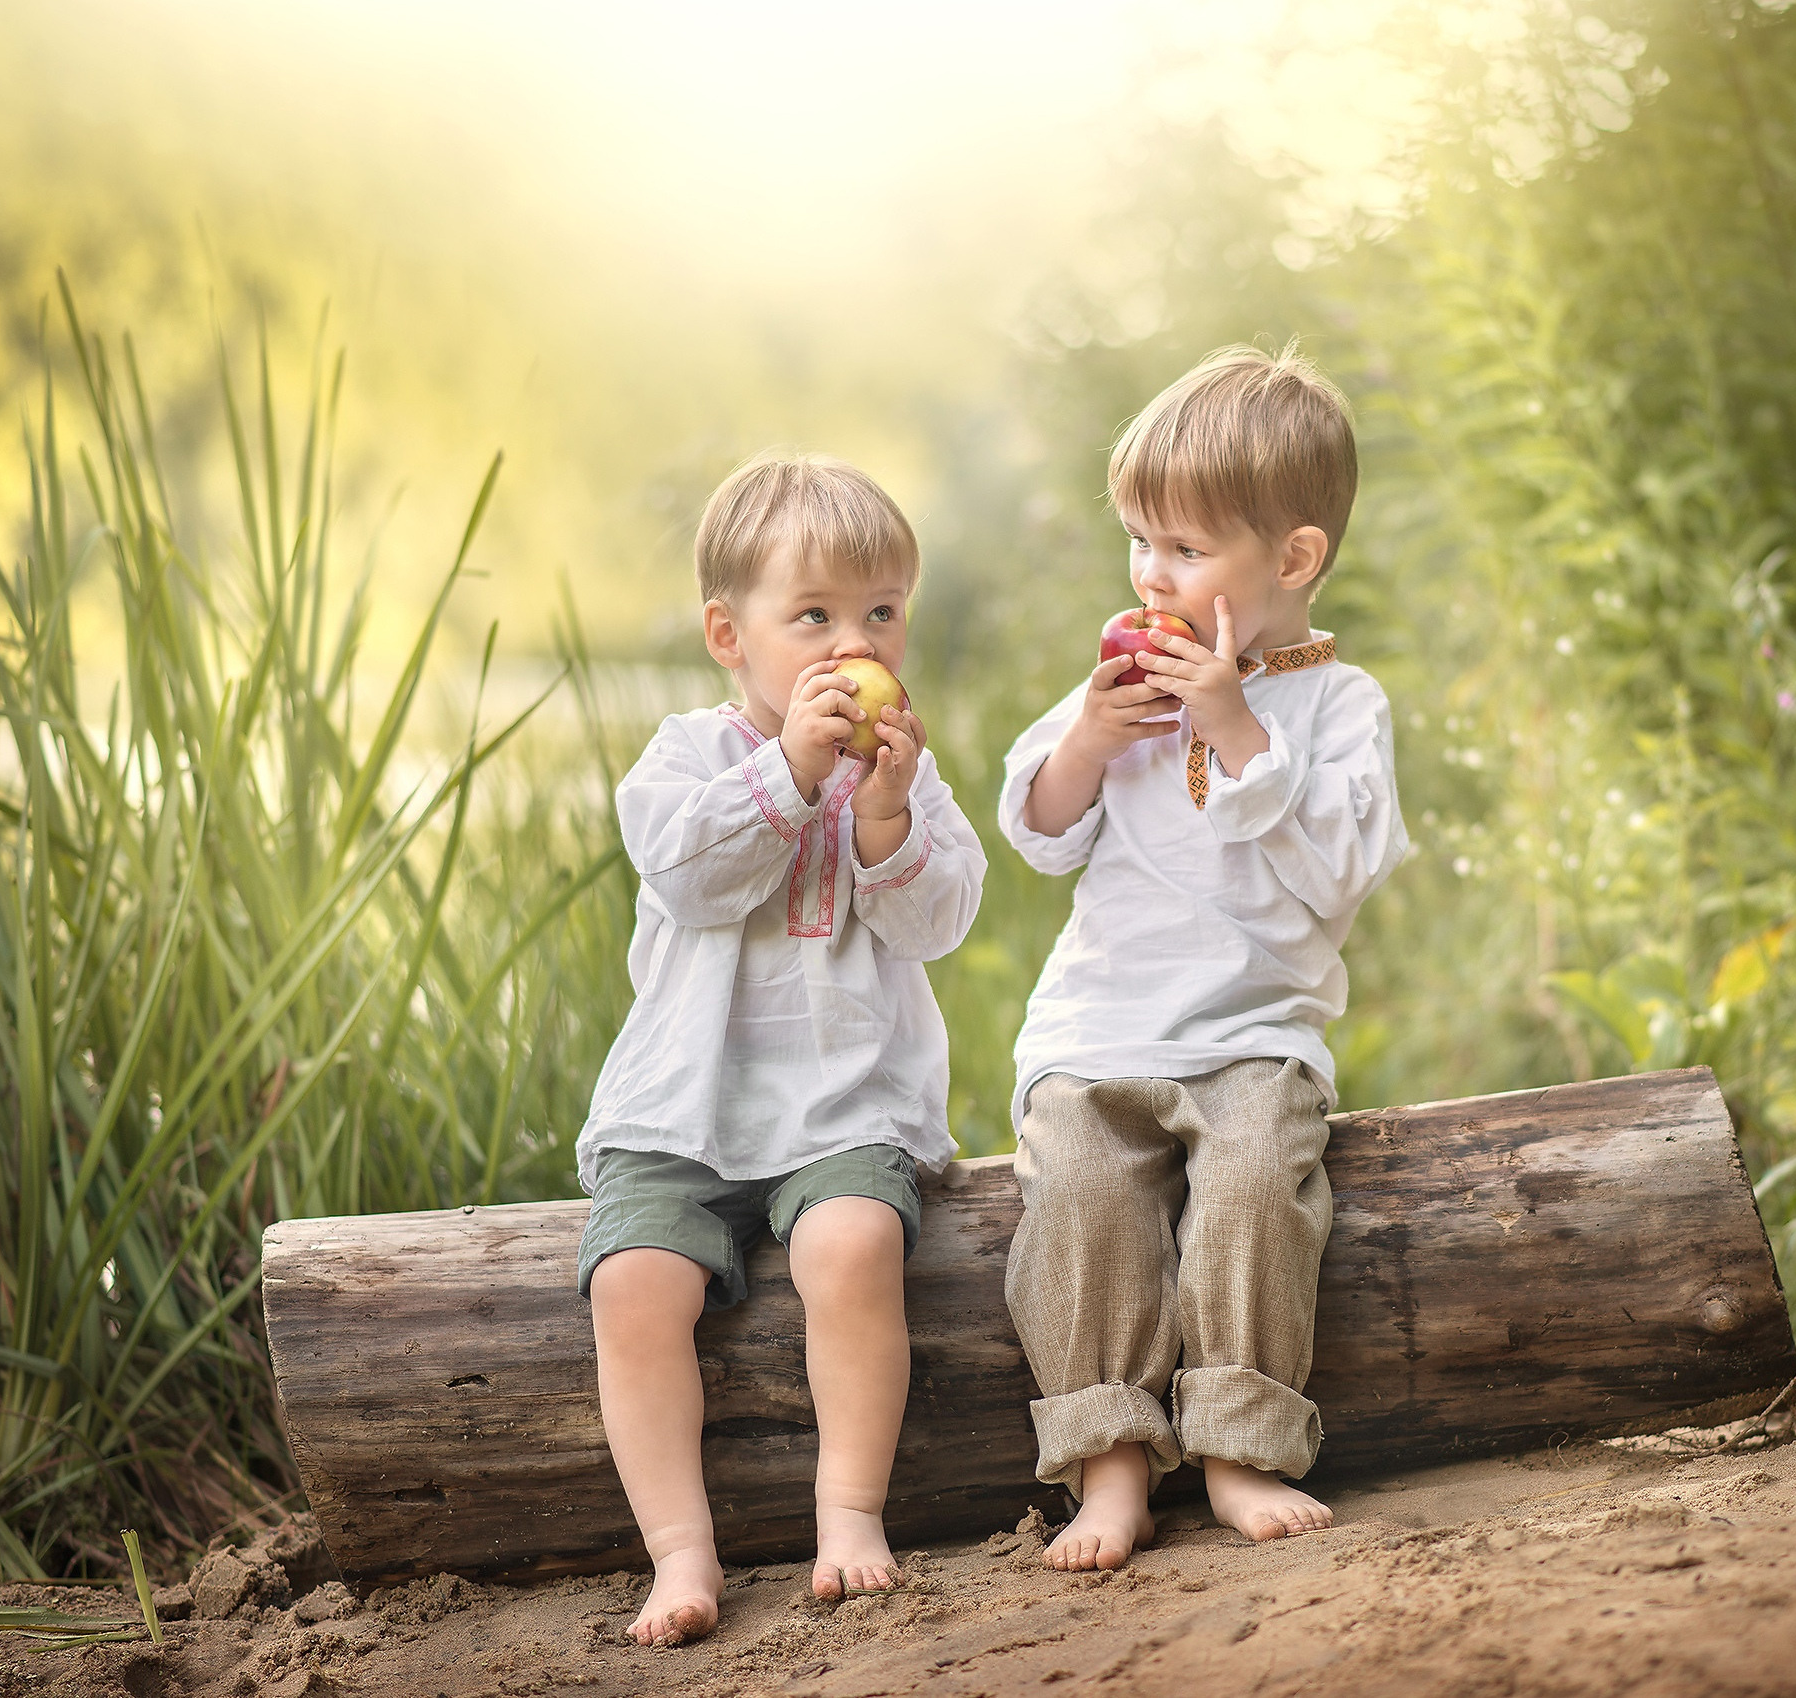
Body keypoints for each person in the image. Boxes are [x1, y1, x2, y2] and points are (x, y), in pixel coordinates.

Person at [997, 344, 1409, 1572]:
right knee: (1076, 1189)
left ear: (1291, 560)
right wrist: (1087, 734)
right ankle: (1108, 1459)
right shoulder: (1120, 686)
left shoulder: (1341, 706)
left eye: (1185, 550)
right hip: (1096, 1030)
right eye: (1139, 542)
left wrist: (1233, 723)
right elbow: (1038, 832)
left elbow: (1340, 869)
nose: (1151, 574)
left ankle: (1238, 1441)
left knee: (1250, 1189)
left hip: (1253, 1036)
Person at [575, 450, 985, 1644]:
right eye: (812, 615)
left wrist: (886, 817)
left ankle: (850, 1510)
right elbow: (691, 876)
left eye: (879, 613)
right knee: (631, 1286)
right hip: (684, 1109)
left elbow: (942, 918)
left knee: (855, 1244)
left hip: (840, 1103)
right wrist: (791, 773)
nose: (849, 641)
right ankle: (680, 1551)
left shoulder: (901, 770)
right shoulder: (685, 760)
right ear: (728, 634)